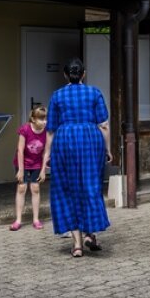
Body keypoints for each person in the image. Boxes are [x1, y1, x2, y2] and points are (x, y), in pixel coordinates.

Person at [46, 58, 112, 258]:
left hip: (64, 141)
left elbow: (50, 130)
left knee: (67, 189)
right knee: (90, 186)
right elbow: (104, 125)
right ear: (83, 74)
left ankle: (76, 245)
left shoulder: (57, 95)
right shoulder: (94, 92)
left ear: (65, 75)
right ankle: (90, 234)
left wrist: (47, 155)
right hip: (90, 141)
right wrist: (107, 149)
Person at [11, 105, 49, 231]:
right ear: (33, 119)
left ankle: (36, 219)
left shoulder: (47, 131)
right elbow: (20, 151)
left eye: (45, 119)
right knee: (22, 188)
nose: (44, 122)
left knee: (35, 188)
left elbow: (46, 152)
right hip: (22, 163)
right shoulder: (25, 129)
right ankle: (18, 220)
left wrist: (43, 170)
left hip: (37, 164)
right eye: (41, 119)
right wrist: (21, 170)